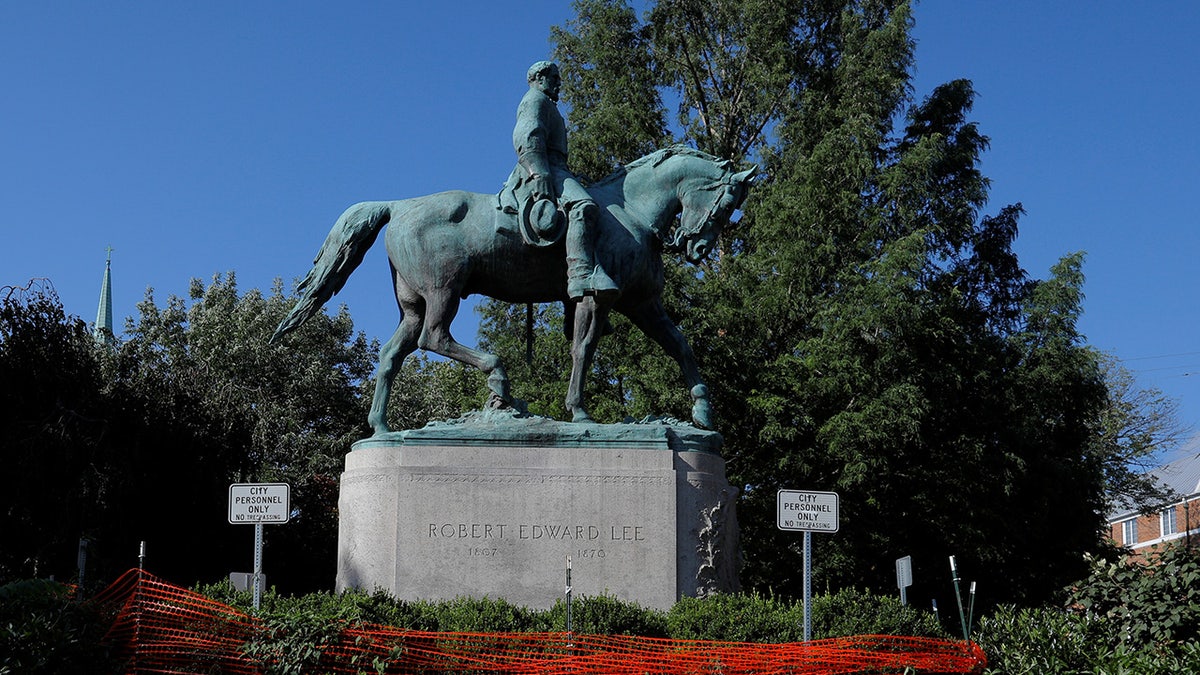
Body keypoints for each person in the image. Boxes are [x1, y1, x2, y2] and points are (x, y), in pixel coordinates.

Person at [511, 61, 617, 299]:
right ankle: (580, 275)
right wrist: (538, 173)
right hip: (542, 167)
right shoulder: (535, 100)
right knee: (584, 206)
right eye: (555, 78)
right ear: (540, 78)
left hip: (556, 167)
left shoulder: (547, 104)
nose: (559, 83)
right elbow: (528, 134)